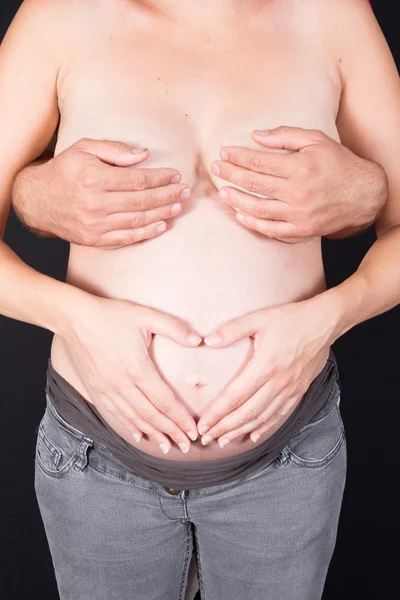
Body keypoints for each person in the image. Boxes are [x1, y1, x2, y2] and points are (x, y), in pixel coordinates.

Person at [1, 1, 399, 599]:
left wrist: (326, 320)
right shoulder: (60, 14)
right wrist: (76, 319)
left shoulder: (332, 13)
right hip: (97, 456)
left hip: (287, 455)